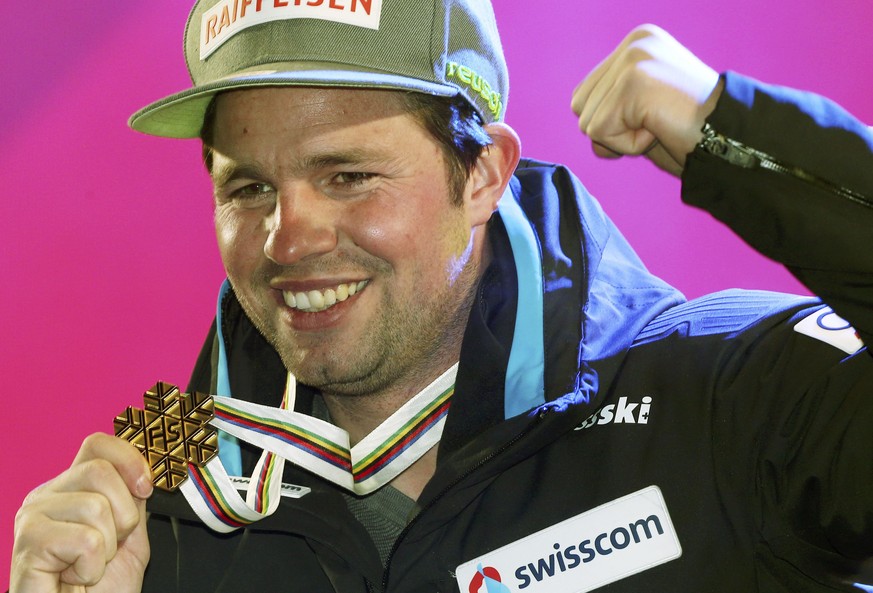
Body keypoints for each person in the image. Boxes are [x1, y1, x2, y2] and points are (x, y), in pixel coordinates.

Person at [10, 0, 873, 591]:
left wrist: (741, 136)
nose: (288, 239)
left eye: (347, 175)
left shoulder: (728, 387)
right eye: (249, 188)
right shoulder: (157, 491)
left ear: (484, 173)